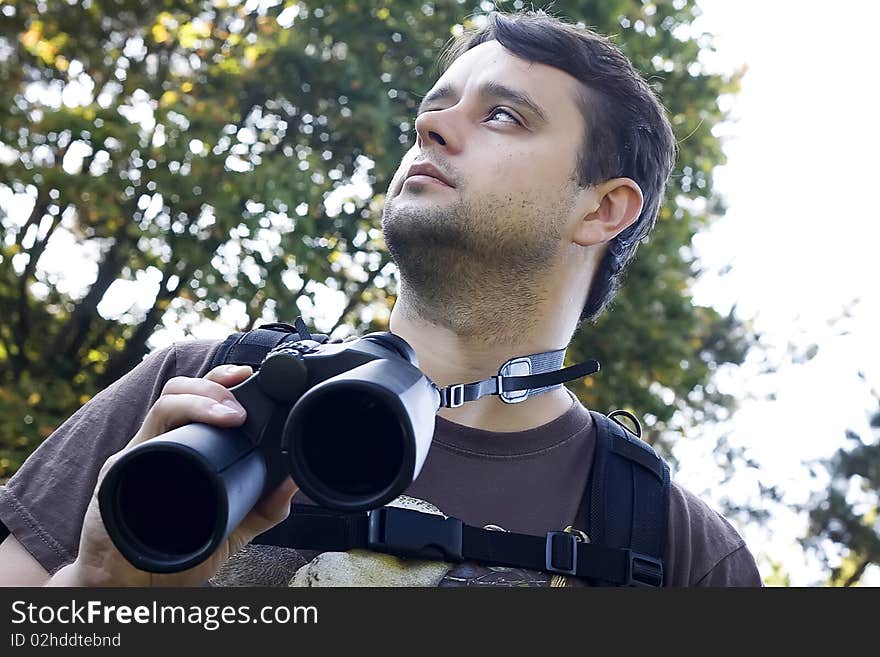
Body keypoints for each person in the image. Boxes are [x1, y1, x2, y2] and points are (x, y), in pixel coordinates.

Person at [0, 10, 763, 587]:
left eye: (502, 114)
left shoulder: (677, 550)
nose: (431, 125)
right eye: (437, 105)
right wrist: (97, 592)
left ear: (603, 208)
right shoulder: (200, 398)